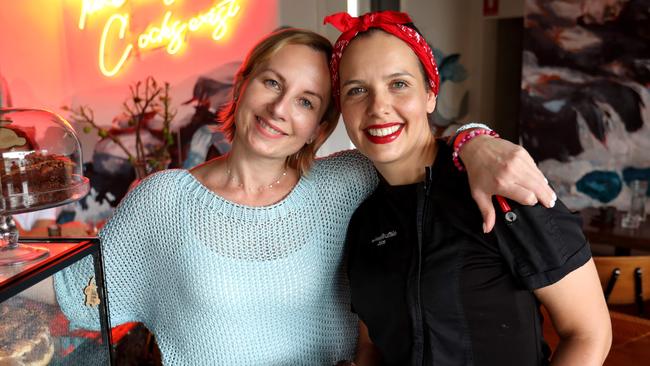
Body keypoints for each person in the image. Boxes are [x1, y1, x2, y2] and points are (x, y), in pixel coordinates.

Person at [51, 28, 554, 365]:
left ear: (321, 125)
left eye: (307, 101)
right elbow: (74, 292)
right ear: (242, 85)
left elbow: (419, 145)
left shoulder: (345, 183)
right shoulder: (164, 202)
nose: (279, 109)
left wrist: (476, 138)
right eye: (272, 82)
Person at [325, 11, 612, 366]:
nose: (378, 107)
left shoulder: (500, 182)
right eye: (357, 90)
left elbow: (589, 332)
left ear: (431, 93)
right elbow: (372, 348)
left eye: (398, 84)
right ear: (342, 107)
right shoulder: (364, 220)